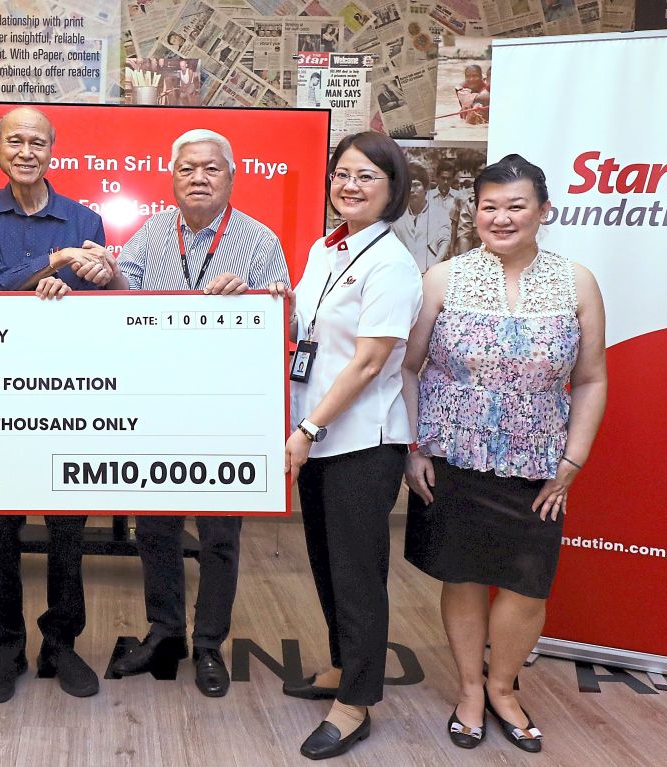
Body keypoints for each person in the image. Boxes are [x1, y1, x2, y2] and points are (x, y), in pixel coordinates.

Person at [402, 155, 607, 753]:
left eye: (516, 206)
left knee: (526, 585)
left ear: (544, 211)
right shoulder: (442, 279)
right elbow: (408, 370)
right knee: (462, 576)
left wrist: (572, 462)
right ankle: (469, 689)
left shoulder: (577, 282)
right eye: (489, 206)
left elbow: (592, 378)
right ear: (475, 211)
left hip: (539, 465)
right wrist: (414, 450)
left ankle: (503, 688)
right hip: (453, 459)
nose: (501, 217)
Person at [104, 129, 290, 699]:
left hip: (225, 411)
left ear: (231, 176)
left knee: (219, 535)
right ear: (173, 177)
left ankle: (209, 643)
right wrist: (103, 270)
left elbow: (285, 321)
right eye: (187, 169)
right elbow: (121, 291)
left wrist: (262, 294)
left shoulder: (259, 241)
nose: (199, 178)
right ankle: (164, 632)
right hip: (154, 405)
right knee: (155, 528)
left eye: (211, 168)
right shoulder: (151, 233)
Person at [271, 131, 422, 760]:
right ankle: (341, 664)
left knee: (359, 573)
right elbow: (303, 326)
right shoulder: (327, 247)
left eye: (366, 177)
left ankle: (355, 701)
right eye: (342, 174)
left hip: (360, 442)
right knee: (327, 560)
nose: (349, 186)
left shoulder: (392, 264)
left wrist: (306, 431)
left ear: (392, 191)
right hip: (318, 432)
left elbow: (366, 366)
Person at [0, 106, 116, 704]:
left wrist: (84, 274)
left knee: (67, 525)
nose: (26, 151)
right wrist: (50, 265)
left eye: (38, 143)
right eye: (15, 141)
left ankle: (62, 643)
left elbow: (97, 294)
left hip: (71, 390)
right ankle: (6, 647)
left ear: (54, 151)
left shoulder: (85, 218)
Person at [391, 163, 452, 273]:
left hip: (430, 272)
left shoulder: (440, 213)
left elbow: (444, 241)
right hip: (402, 272)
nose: (411, 190)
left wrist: (434, 266)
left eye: (416, 185)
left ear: (426, 188)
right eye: (408, 185)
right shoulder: (397, 215)